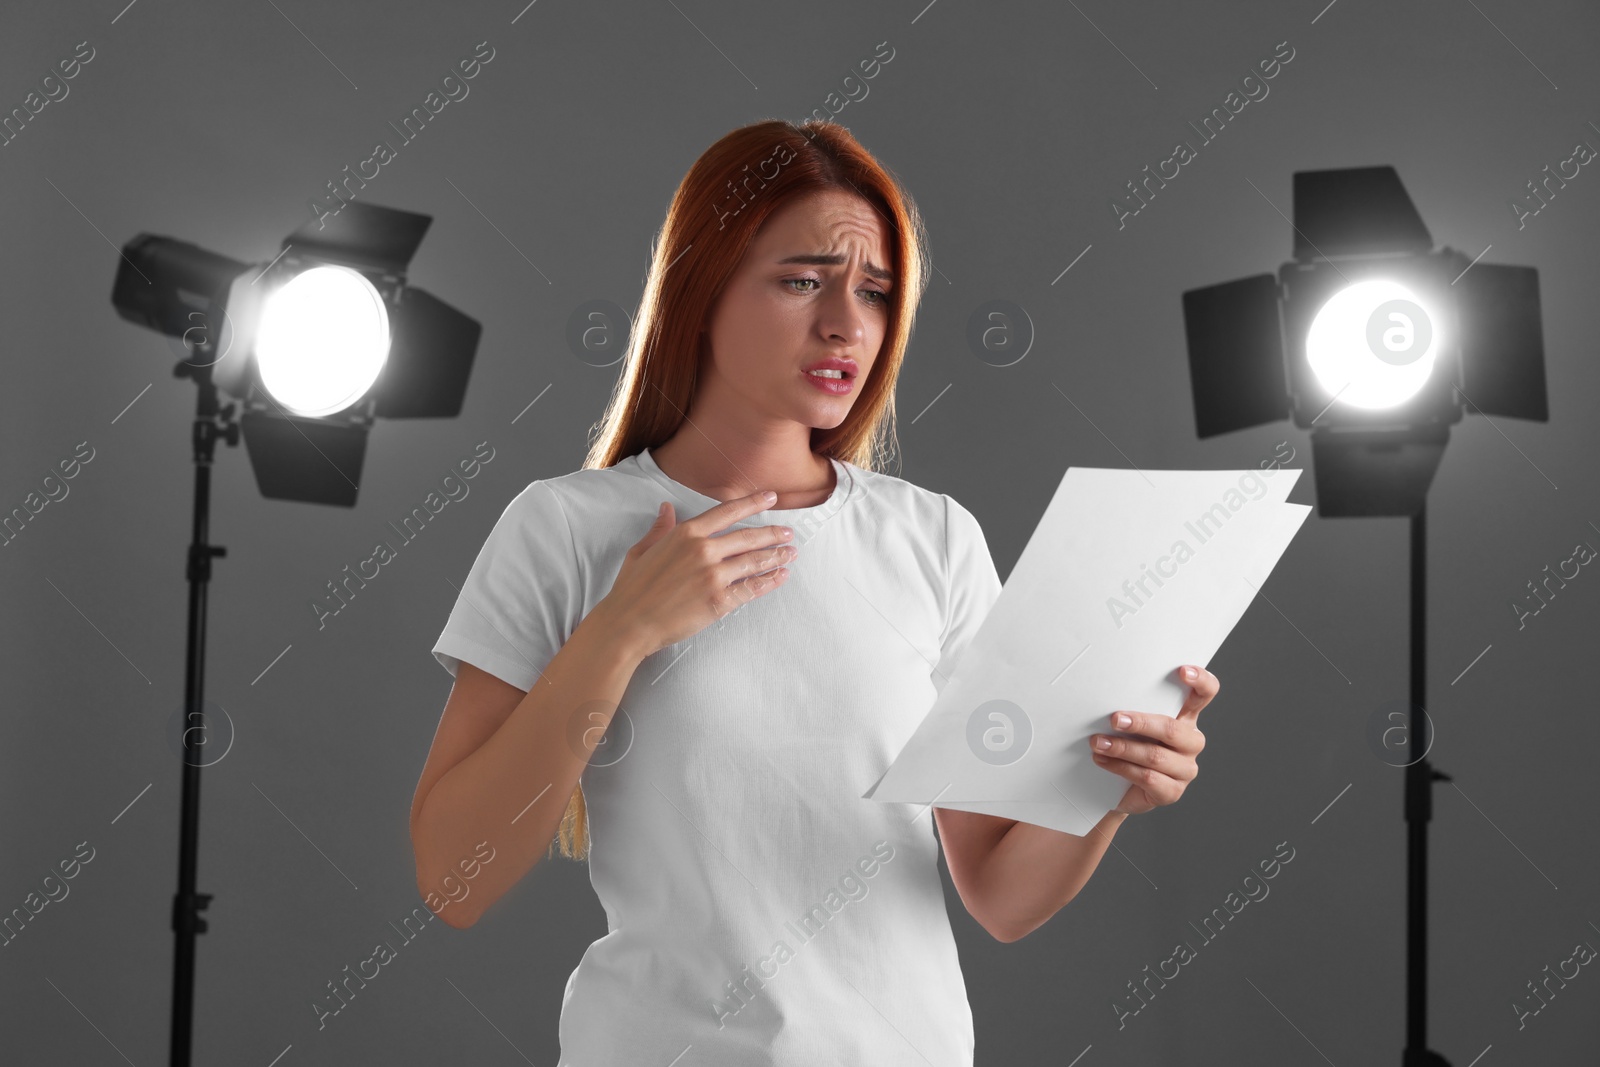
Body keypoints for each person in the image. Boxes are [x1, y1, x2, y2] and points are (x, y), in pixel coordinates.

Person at [409, 118, 1218, 1066]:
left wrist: (1107, 792)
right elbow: (453, 879)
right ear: (700, 290)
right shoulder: (564, 528)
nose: (846, 325)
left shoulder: (934, 538)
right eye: (802, 280)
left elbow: (1000, 894)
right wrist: (620, 631)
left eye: (875, 292)